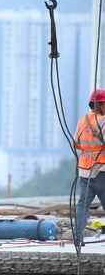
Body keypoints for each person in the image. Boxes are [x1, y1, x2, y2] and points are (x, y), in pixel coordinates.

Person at [74, 89, 105, 246]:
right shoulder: (103, 121)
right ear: (99, 105)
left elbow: (76, 143)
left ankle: (77, 238)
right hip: (101, 171)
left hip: (84, 172)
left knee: (82, 206)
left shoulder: (83, 120)